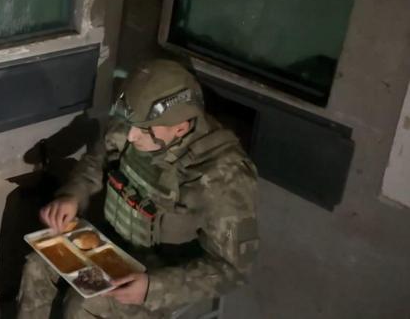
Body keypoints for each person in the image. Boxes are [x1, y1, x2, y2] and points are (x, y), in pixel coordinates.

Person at [17, 59, 258, 318]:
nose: (131, 136)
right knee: (37, 266)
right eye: (130, 124)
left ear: (180, 128)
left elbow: (233, 269)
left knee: (83, 304)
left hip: (164, 271)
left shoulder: (223, 176)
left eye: (143, 130)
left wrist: (153, 288)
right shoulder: (137, 121)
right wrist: (72, 195)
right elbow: (96, 161)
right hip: (113, 244)